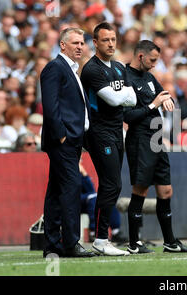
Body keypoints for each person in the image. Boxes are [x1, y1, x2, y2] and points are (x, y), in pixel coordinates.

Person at [124, 40, 187, 254]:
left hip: (157, 139)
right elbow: (128, 116)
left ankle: (170, 242)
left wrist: (167, 100)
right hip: (139, 139)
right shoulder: (125, 78)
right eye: (153, 60)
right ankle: (134, 243)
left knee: (166, 190)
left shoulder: (149, 77)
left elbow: (164, 94)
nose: (155, 64)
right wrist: (154, 104)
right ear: (140, 57)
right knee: (141, 189)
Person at [80, 22, 136, 256]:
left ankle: (102, 237)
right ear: (95, 42)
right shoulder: (92, 69)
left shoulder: (119, 68)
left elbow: (132, 98)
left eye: (113, 39)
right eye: (105, 40)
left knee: (112, 184)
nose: (111, 44)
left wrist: (120, 95)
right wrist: (121, 96)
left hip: (116, 130)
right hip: (98, 132)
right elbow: (114, 100)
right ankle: (101, 238)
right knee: (112, 183)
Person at [40, 27, 95, 258]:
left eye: (82, 43)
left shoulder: (71, 70)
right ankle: (72, 243)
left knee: (55, 191)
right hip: (63, 141)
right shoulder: (56, 67)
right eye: (75, 43)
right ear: (63, 45)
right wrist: (63, 136)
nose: (80, 47)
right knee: (71, 189)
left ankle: (52, 244)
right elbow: (51, 107)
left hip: (71, 141)